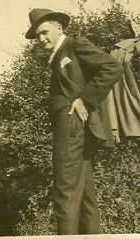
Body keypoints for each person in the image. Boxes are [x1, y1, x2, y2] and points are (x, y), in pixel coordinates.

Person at [25, 9, 123, 235]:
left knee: (64, 191)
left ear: (59, 27)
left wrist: (85, 100)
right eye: (37, 35)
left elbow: (112, 66)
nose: (41, 39)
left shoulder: (74, 44)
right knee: (85, 194)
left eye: (44, 32)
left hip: (72, 128)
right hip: (70, 128)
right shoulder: (58, 53)